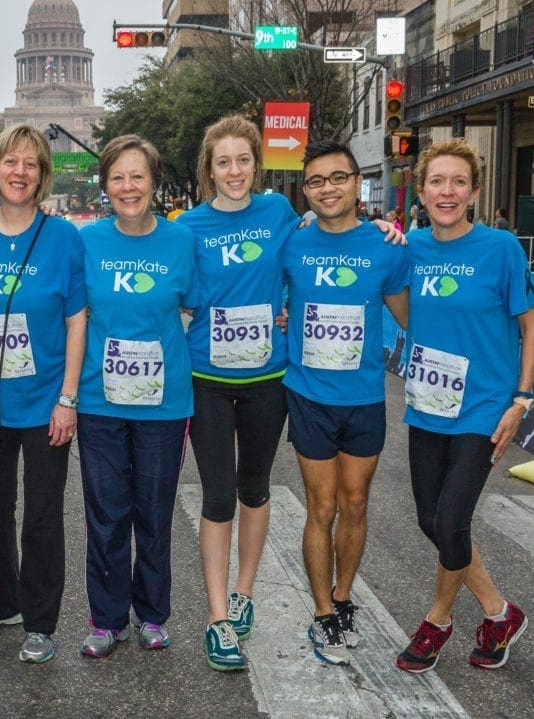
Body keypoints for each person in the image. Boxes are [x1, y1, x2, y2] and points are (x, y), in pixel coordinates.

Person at [395, 138, 534, 674]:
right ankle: (499, 613)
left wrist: (521, 400)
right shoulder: (409, 248)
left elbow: (532, 328)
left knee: (452, 517)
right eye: (437, 181)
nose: (447, 191)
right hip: (428, 402)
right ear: (421, 191)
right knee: (431, 521)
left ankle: (436, 622)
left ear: (474, 192)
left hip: (484, 406)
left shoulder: (500, 248)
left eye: (459, 182)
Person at [0, 125, 86, 664]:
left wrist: (68, 399)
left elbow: (76, 320)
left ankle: (41, 620)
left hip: (46, 399)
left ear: (42, 174)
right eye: (11, 161)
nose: (20, 172)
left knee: (43, 514)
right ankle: (0, 601)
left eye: (31, 163)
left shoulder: (63, 237)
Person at [176, 115, 301, 671]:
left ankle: (244, 591)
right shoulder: (188, 226)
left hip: (266, 380)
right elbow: (177, 295)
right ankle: (217, 617)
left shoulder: (279, 212)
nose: (234, 171)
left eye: (243, 160)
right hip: (207, 378)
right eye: (223, 162)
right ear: (210, 168)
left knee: (254, 488)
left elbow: (314, 254)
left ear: (257, 164)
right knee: (217, 496)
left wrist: (388, 233)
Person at [283, 140, 409, 666]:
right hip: (308, 395)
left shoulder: (388, 245)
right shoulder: (291, 240)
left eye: (338, 177)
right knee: (322, 506)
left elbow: (411, 318)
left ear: (358, 182)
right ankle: (321, 613)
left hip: (364, 398)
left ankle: (342, 598)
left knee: (355, 503)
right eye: (316, 181)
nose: (328, 188)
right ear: (306, 190)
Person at [76, 134, 198, 658]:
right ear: (105, 186)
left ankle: (152, 614)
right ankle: (106, 619)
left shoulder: (181, 240)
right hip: (99, 401)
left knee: (153, 511)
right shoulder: (86, 241)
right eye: (118, 177)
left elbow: (195, 304)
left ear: (154, 182)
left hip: (163, 403)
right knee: (106, 514)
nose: (128, 187)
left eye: (138, 176)